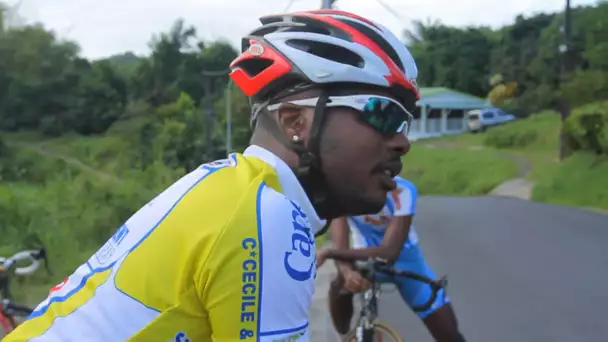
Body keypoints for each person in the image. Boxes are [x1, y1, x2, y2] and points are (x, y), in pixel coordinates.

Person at [5, 9, 419, 342]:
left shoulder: (229, 187)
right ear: (296, 120)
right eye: (384, 114)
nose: (402, 142)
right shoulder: (267, 216)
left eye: (406, 122)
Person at [317, 176, 467, 342]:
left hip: (407, 265)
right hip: (365, 263)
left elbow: (388, 252)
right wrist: (346, 272)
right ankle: (346, 336)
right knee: (339, 285)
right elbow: (341, 248)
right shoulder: (340, 191)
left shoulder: (403, 190)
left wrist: (329, 253)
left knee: (450, 337)